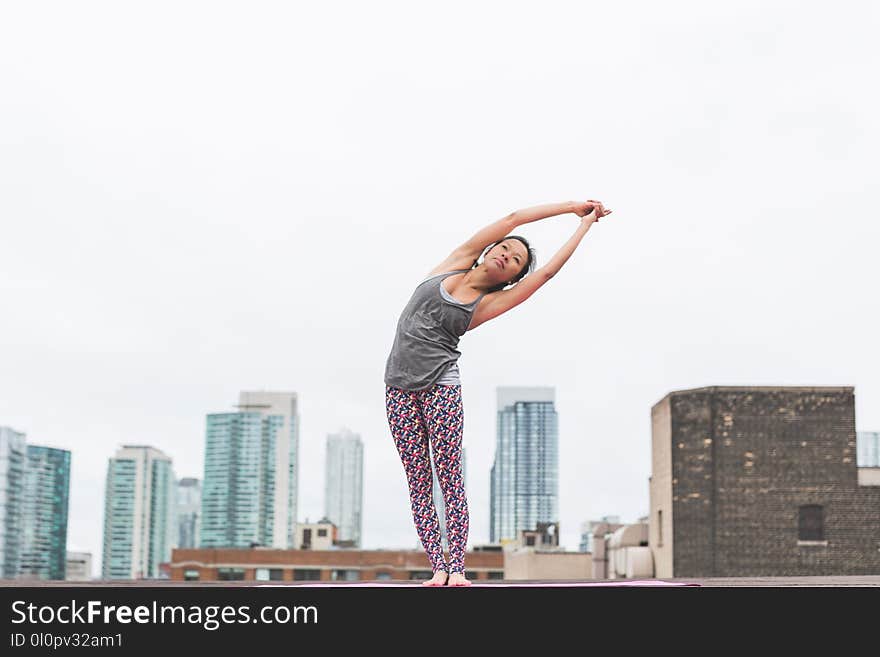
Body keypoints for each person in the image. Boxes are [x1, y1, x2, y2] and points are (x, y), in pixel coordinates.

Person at [384, 199, 613, 586]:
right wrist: (572, 207)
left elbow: (547, 275)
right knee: (418, 479)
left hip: (440, 386)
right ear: (489, 250)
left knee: (448, 474)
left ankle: (455, 569)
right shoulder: (455, 261)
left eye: (517, 260)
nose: (507, 255)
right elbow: (513, 218)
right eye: (505, 248)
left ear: (511, 278)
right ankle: (436, 569)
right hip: (397, 386)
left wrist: (584, 226)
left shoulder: (486, 303)